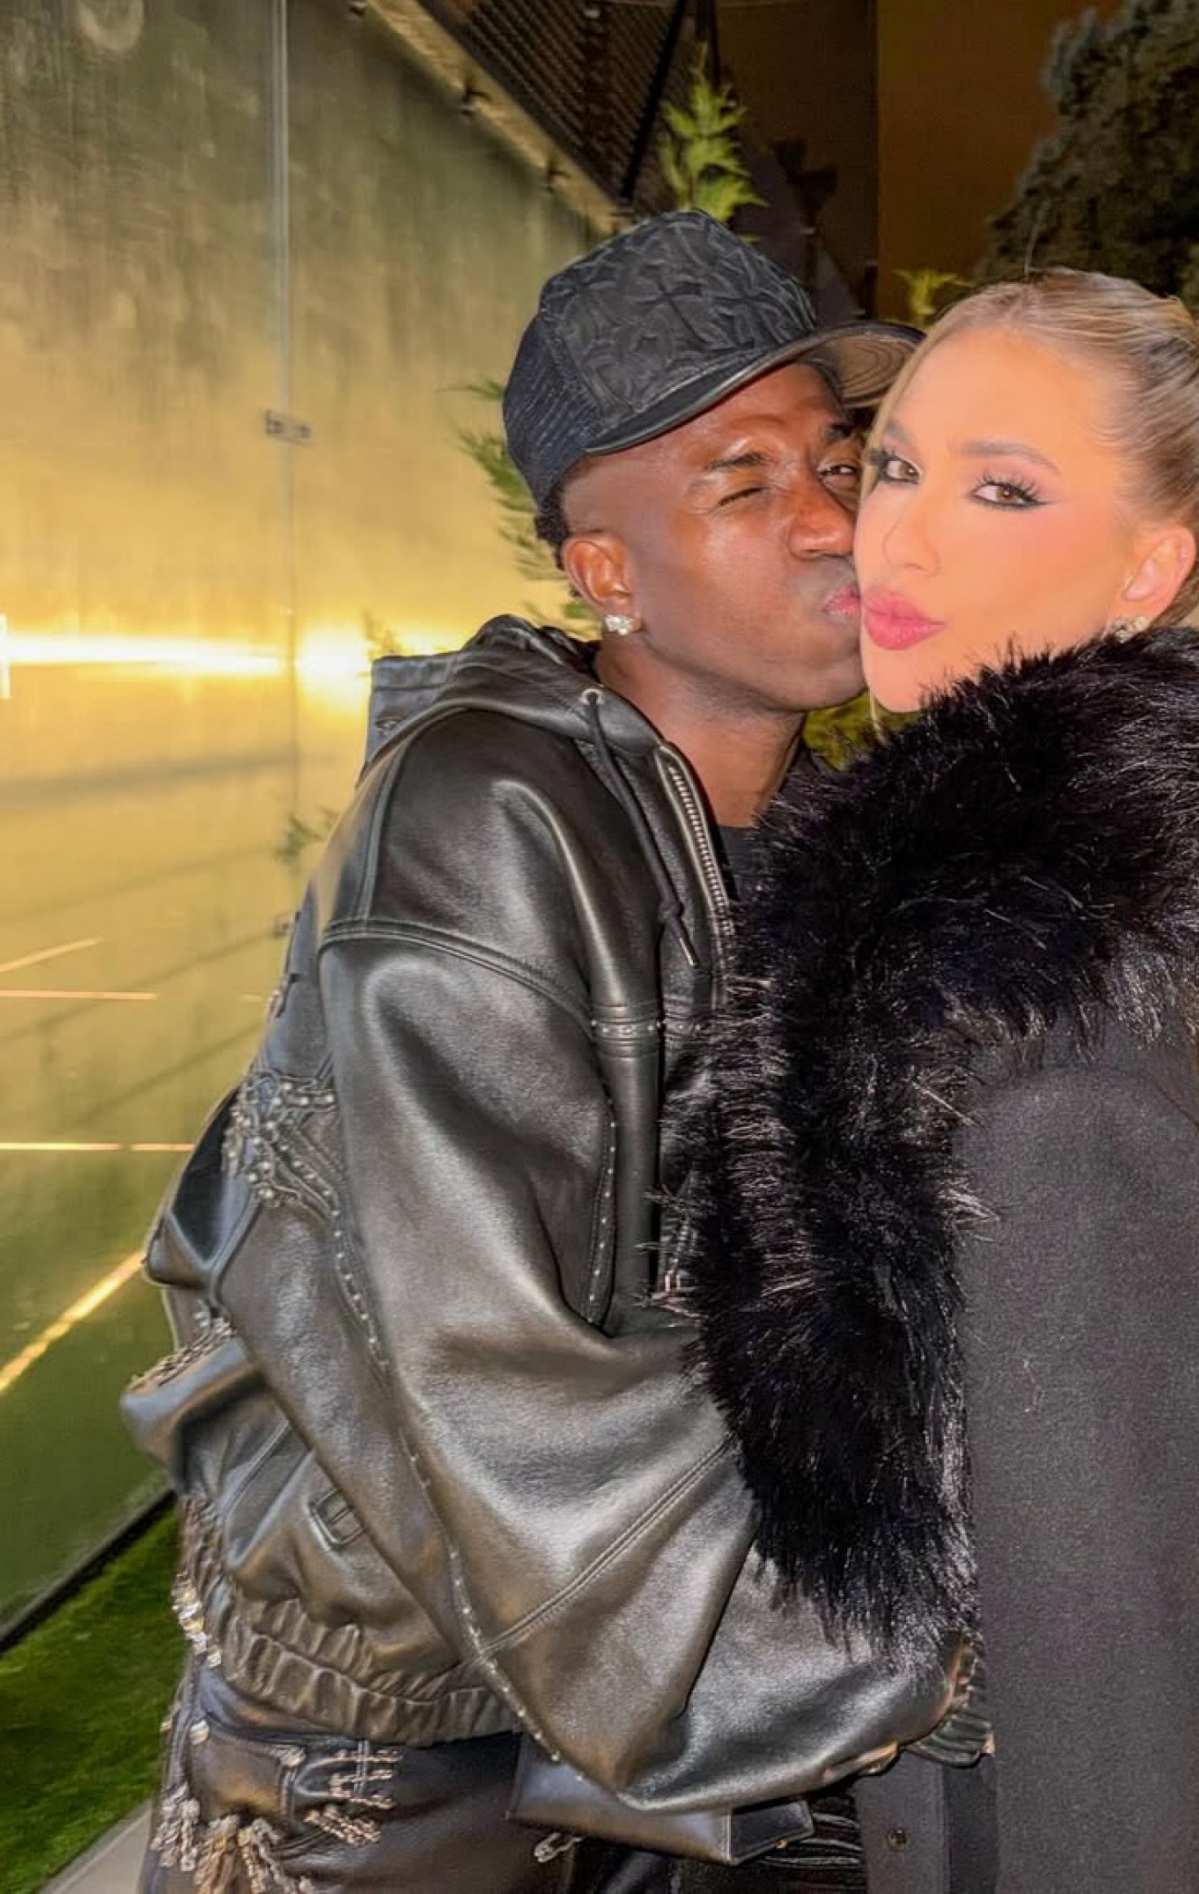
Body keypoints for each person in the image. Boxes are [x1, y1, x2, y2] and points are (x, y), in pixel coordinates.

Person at [122, 212, 974, 1894]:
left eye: (839, 463)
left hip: (658, 1704)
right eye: (743, 484)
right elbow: (491, 1366)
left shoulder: (824, 831)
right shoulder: (484, 811)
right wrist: (913, 1648)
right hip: (411, 1738)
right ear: (605, 576)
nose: (831, 524)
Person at [691, 266, 1199, 1892]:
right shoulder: (991, 957)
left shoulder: (1045, 1053)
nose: (893, 541)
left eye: (1003, 490)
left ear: (1155, 565)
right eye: (895, 466)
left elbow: (1118, 1703)